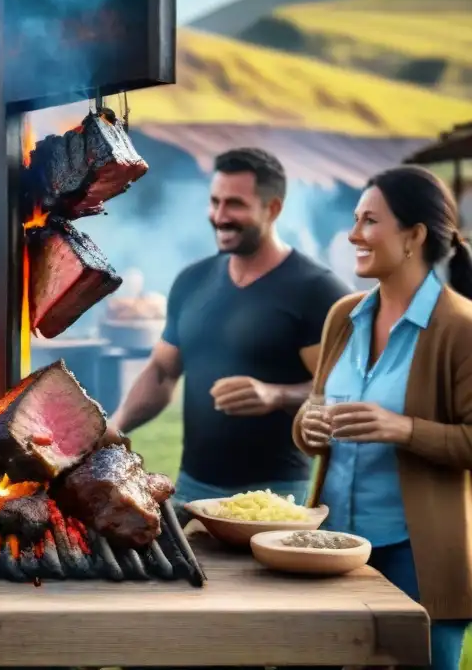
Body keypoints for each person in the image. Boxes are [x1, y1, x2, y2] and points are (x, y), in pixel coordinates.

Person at [108, 147, 351, 515]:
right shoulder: (193, 281)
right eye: (215, 202)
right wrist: (118, 425)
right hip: (191, 490)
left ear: (273, 209)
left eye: (235, 204)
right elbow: (161, 372)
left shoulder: (316, 291)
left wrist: (276, 395)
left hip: (277, 497)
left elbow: (342, 394)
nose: (220, 216)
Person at [296, 166, 472, 669]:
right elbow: (316, 410)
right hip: (333, 547)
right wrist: (307, 426)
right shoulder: (343, 316)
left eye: (369, 221)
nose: (353, 235)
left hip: (417, 557)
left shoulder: (460, 329)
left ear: (414, 236)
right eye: (355, 219)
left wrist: (406, 430)